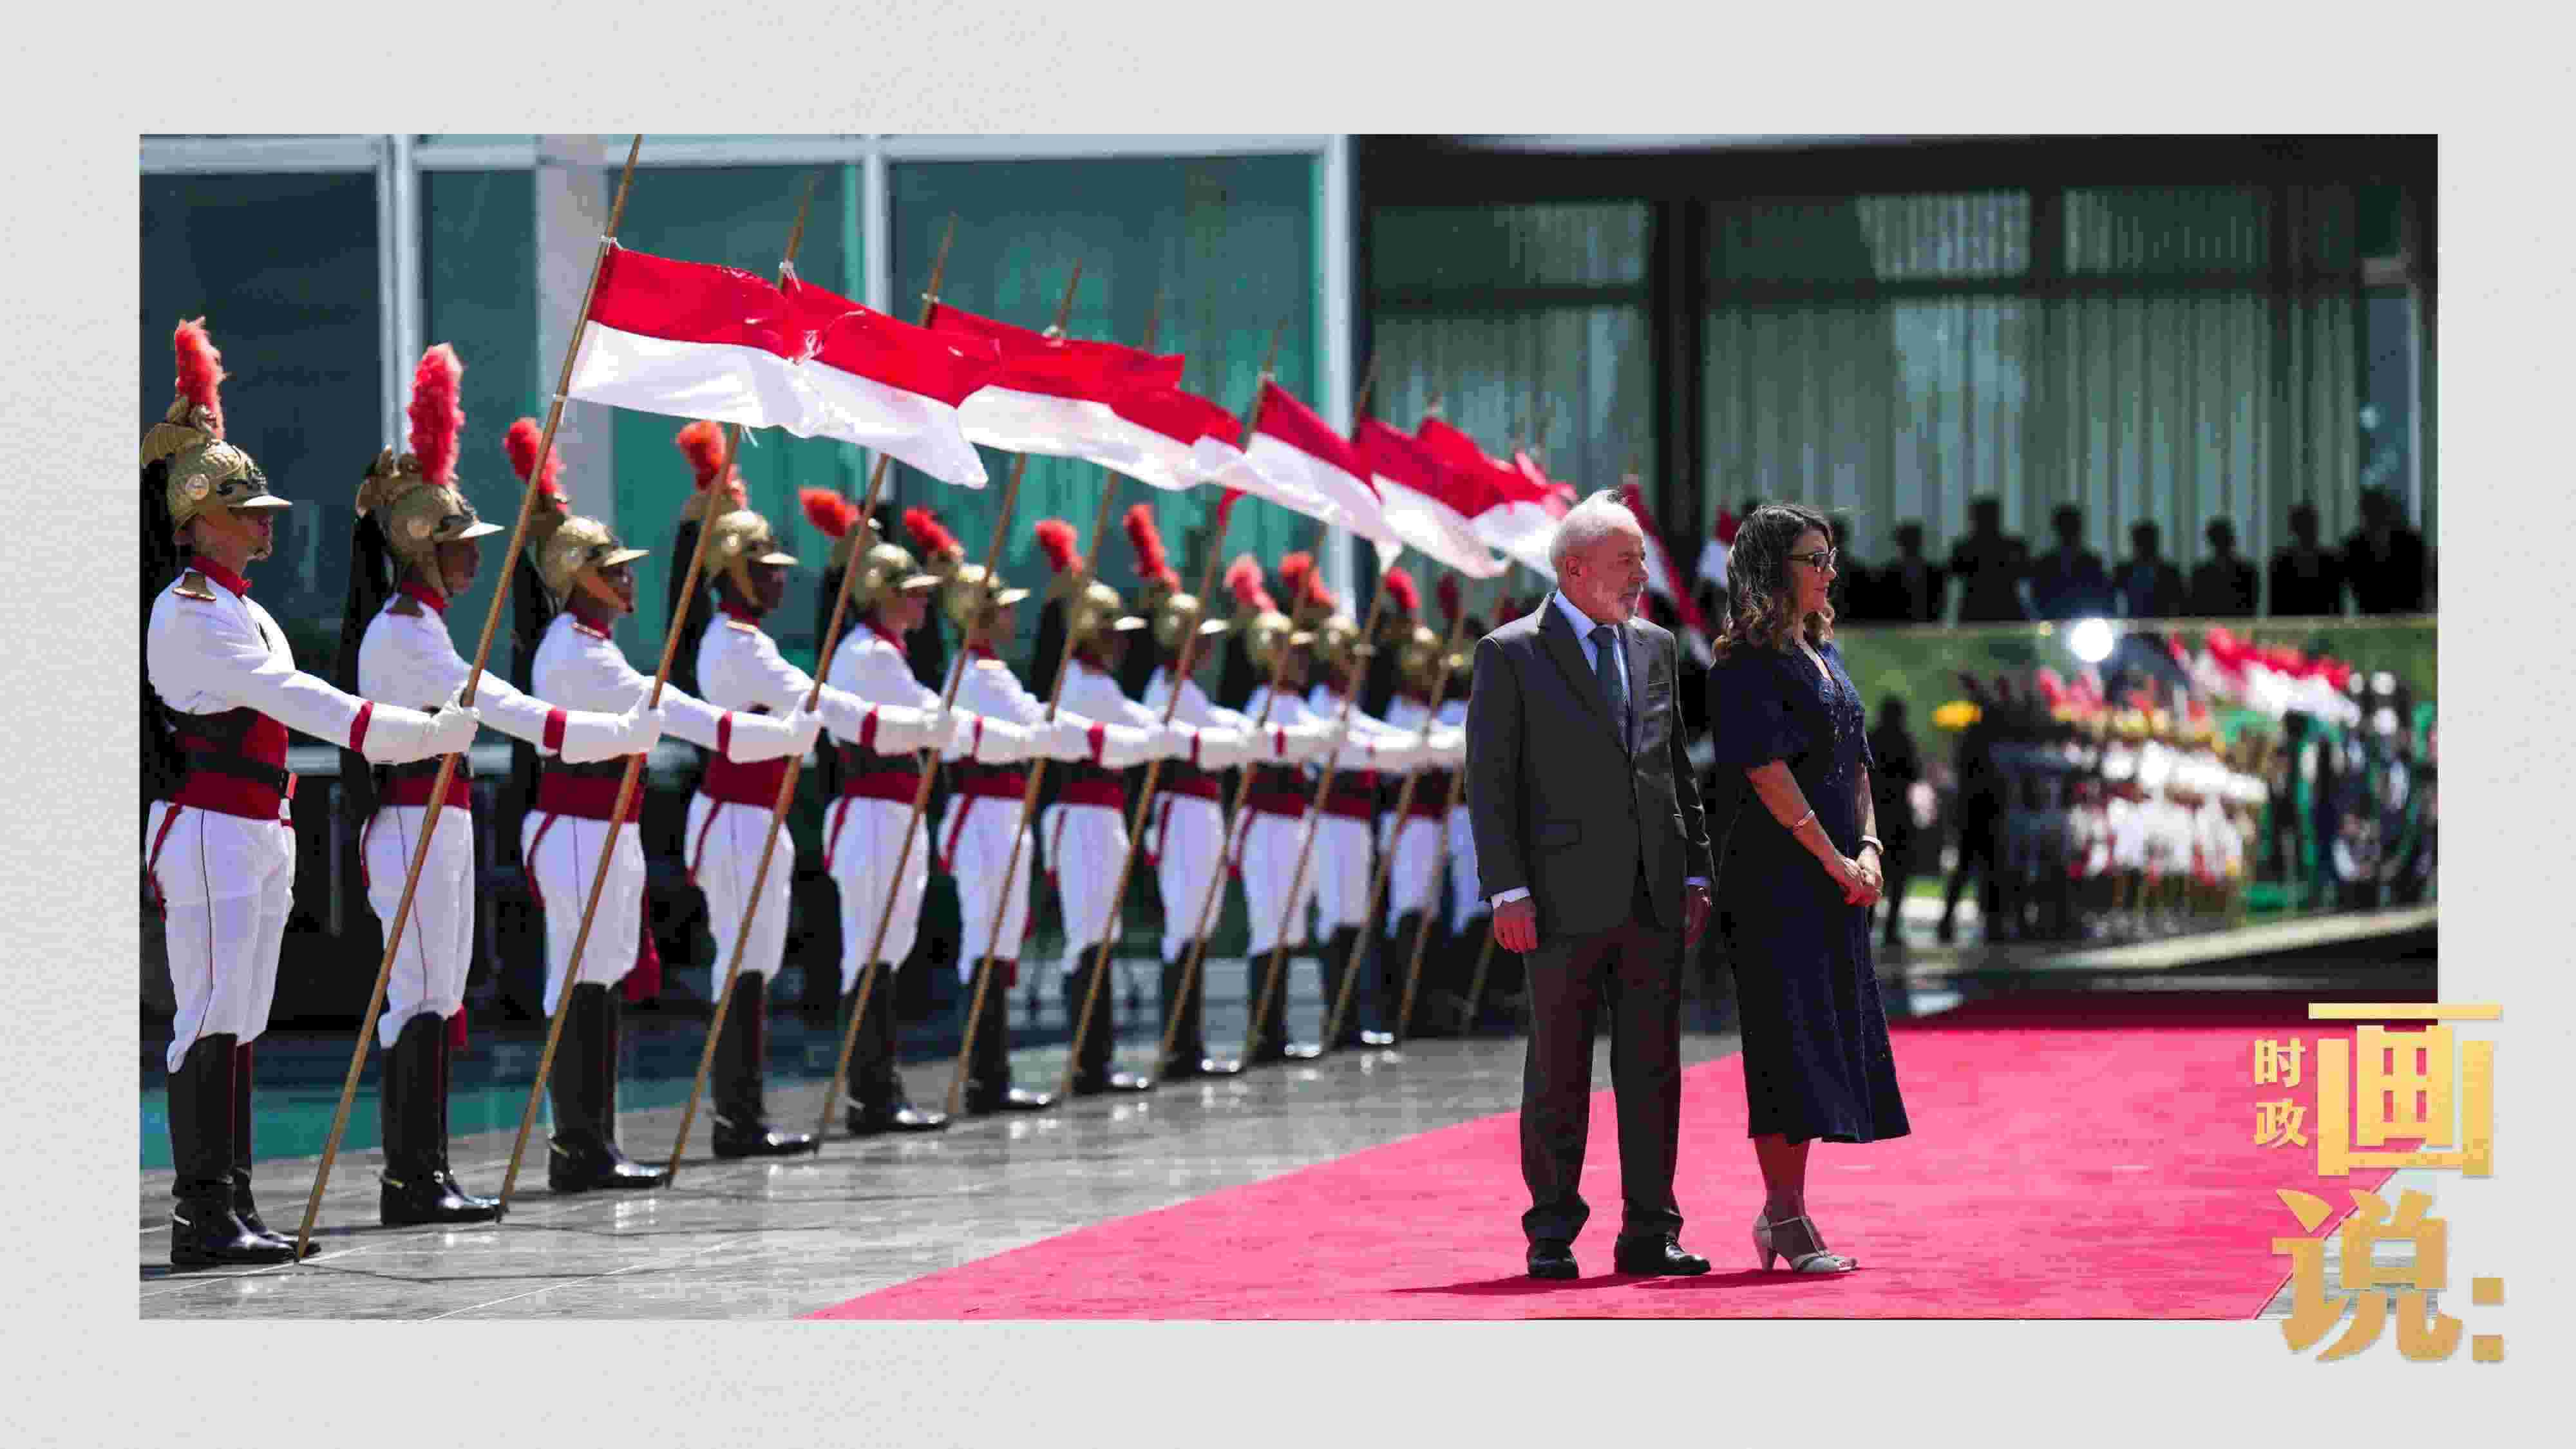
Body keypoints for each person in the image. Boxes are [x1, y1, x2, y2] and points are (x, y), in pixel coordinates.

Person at [146, 320, 484, 1268]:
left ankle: (235, 1203)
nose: (266, 524)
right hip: (209, 824)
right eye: (246, 512)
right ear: (194, 521)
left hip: (257, 824)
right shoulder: (189, 612)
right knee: (210, 1014)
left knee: (244, 1017)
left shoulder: (245, 608)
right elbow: (302, 702)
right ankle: (201, 1212)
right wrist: (419, 733)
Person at [336, 376, 665, 1226]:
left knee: (442, 992)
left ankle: (430, 1170)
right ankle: (411, 1177)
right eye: (460, 546)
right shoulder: (402, 632)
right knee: (420, 994)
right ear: (421, 552)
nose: (477, 560)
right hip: (410, 820)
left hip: (442, 819)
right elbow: (501, 706)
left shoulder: (425, 625)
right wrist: (610, 732)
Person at [520, 472, 819, 1191]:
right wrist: (781, 736)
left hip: (606, 826)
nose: (628, 581)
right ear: (578, 578)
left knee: (602, 975)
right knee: (583, 979)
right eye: (614, 571)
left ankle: (593, 1142)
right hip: (578, 825)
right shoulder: (576, 651)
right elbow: (680, 716)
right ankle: (579, 1144)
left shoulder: (593, 644)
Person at [666, 423, 958, 1157]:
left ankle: (753, 1110)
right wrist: (922, 724)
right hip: (737, 814)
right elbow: (824, 706)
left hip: (758, 815)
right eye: (763, 570)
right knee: (745, 960)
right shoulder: (734, 644)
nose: (777, 580)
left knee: (761, 959)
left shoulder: (751, 641)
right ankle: (740, 1115)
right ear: (732, 575)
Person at [1464, 489, 1715, 1282]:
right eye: (1626, 561)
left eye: (1640, 560)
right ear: (1573, 568)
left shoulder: (1655, 647)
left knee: (1653, 1072)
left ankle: (1650, 1230)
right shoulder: (1510, 653)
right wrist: (1506, 891)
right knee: (1558, 1072)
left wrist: (1696, 866)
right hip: (1557, 901)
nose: (1641, 575)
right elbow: (1489, 784)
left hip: (1653, 893)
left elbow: (1672, 766)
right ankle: (1550, 1232)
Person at [1702, 502, 1911, 1274]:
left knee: (1822, 1039)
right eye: (1812, 559)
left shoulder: (1825, 651)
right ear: (1771, 569)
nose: (1829, 572)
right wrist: (1831, 859)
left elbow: (1855, 763)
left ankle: (1780, 1210)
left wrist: (1869, 847)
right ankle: (1786, 1216)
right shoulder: (1743, 663)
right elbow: (1766, 771)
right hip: (1775, 880)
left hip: (1836, 877)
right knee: (1784, 1043)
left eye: (1830, 558)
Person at [802, 497, 1042, 1134]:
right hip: (873, 811)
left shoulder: (887, 652)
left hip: (894, 812)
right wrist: (1001, 735)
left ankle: (880, 1088)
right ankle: (871, 1094)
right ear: (883, 597)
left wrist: (978, 730)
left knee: (888, 948)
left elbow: (935, 718)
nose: (922, 603)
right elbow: (930, 722)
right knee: (872, 950)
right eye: (911, 593)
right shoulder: (870, 655)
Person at [922, 514, 1171, 1113]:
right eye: (1003, 609)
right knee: (992, 939)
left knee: (1008, 936)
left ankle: (1013, 1070)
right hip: (990, 812)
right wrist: (1138, 741)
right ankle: (992, 1076)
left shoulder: (994, 671)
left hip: (1008, 813)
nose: (1013, 618)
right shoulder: (980, 675)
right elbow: (1045, 728)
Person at [1132, 520, 1335, 1077]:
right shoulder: (1165, 690)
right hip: (1184, 811)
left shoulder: (1189, 690)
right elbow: (1213, 742)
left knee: (1206, 921)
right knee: (1187, 925)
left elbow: (1227, 728)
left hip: (1204, 813)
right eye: (1197, 639)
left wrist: (1255, 736)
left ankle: (1203, 1042)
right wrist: (1259, 739)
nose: (1206, 648)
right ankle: (1181, 1047)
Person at [1864, 697, 1924, 949]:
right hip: (1898, 813)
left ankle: (1867, 925)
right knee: (1898, 875)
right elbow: (1915, 773)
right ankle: (1890, 929)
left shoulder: (1871, 738)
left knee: (1871, 871)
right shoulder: (1904, 741)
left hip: (1876, 813)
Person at [2342, 487, 2430, 614]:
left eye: (2378, 511)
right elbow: (2358, 589)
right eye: (2371, 512)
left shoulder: (2412, 543)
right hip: (2371, 616)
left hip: (2408, 615)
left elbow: (2420, 585)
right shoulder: (2354, 547)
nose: (2375, 517)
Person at [1947, 495, 2029, 623]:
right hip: (2002, 610)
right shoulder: (2014, 547)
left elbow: (2026, 573)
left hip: (1979, 610)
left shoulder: (1964, 549)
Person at [2027, 504, 2112, 621]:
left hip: (2084, 622)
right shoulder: (2045, 564)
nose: (2069, 532)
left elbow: (2103, 596)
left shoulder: (2092, 562)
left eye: (2072, 527)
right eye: (2065, 527)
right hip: (2056, 622)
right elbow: (2038, 597)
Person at [2268, 502, 2346, 616]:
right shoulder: (2331, 560)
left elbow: (2338, 605)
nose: (2310, 528)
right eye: (2307, 523)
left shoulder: (2332, 560)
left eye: (2311, 523)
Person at [2186, 516, 2259, 618]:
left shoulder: (2200, 573)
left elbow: (2196, 607)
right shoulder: (2248, 571)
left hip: (2218, 624)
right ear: (2232, 539)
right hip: (2233, 624)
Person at [2114, 520, 2186, 621]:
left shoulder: (2170, 573)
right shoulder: (2123, 571)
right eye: (2141, 542)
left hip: (2160, 624)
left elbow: (2179, 603)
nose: (2145, 546)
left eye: (2147, 541)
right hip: (2133, 624)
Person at [1882, 521, 1947, 625]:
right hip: (1903, 626)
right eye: (1906, 541)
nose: (1908, 545)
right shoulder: (1935, 572)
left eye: (1909, 541)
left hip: (1918, 626)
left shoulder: (1890, 571)